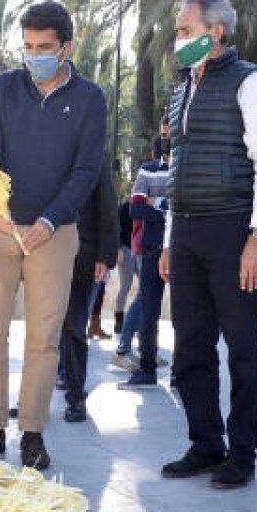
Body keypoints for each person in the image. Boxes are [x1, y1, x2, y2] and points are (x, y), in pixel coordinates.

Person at [0, 0, 107, 471]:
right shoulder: (4, 88)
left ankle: (31, 432)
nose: (33, 56)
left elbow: (87, 169)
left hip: (56, 233)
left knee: (44, 339)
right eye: (27, 47)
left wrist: (50, 220)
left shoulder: (89, 99)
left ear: (66, 47)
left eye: (44, 48)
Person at [159, 0, 257, 490]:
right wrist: (170, 238)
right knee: (191, 346)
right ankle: (205, 443)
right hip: (187, 229)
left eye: (185, 31)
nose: (178, 39)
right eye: (178, 31)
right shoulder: (181, 88)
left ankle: (243, 454)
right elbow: (178, 168)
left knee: (243, 350)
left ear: (216, 32)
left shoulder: (252, 83)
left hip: (235, 229)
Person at [58, 160, 119, 422]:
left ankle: (75, 397)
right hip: (45, 251)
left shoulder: (92, 151)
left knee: (74, 327)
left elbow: (108, 206)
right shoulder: (43, 142)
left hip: (84, 256)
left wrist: (105, 256)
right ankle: (29, 400)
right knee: (41, 329)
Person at [114, 136, 171, 383]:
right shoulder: (147, 171)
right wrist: (168, 208)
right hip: (151, 248)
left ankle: (182, 373)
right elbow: (135, 209)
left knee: (186, 314)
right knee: (149, 311)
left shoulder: (192, 168)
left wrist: (155, 202)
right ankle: (147, 368)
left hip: (183, 248)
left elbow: (190, 208)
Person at [112, 198, 136, 335]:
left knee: (146, 288)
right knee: (125, 287)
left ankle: (136, 320)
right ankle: (119, 322)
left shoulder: (144, 206)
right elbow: (115, 227)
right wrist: (118, 248)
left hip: (140, 251)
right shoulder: (124, 207)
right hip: (125, 250)